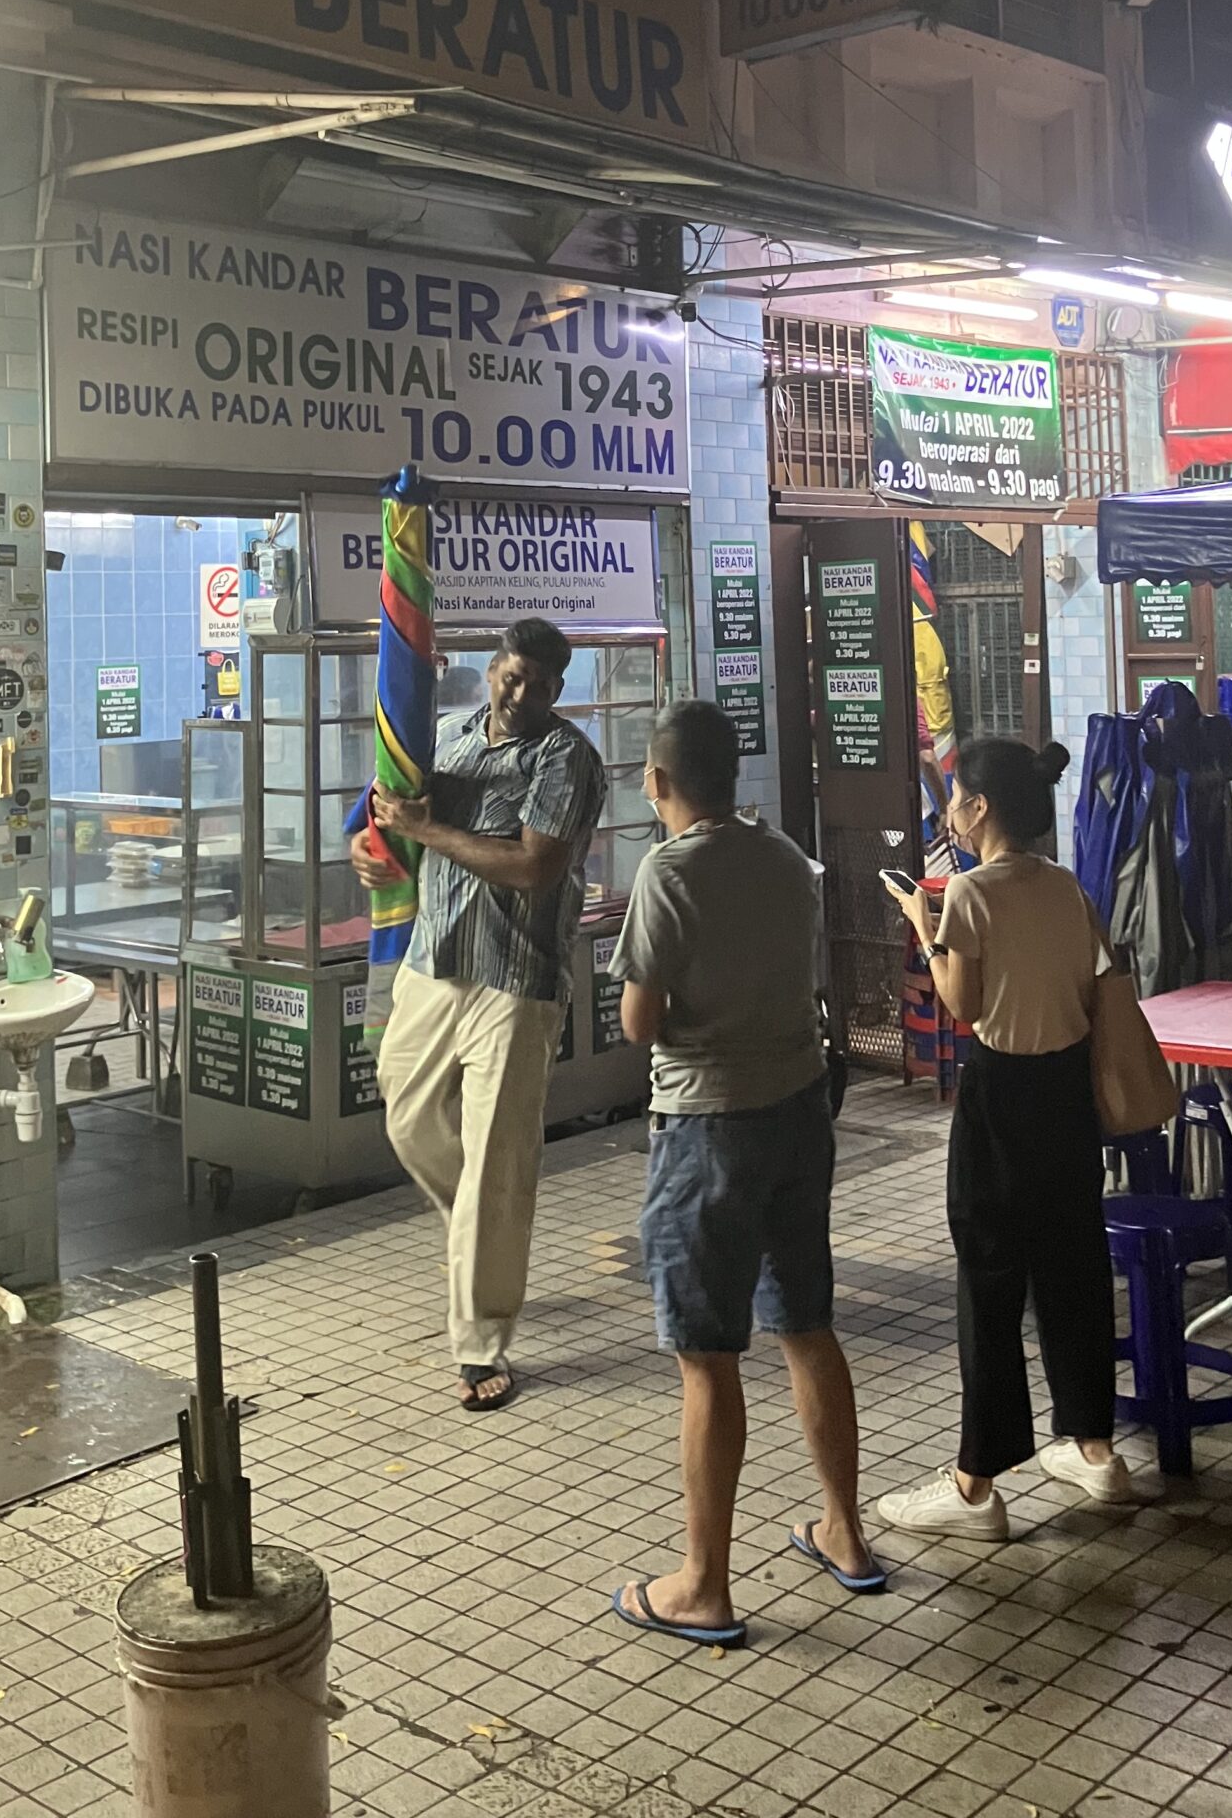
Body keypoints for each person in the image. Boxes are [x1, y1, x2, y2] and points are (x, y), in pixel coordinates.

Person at [608, 699, 879, 1650]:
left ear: (658, 782)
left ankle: (704, 1586)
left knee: (707, 1355)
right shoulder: (781, 856)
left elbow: (641, 1019)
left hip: (707, 1125)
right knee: (807, 1325)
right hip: (800, 1110)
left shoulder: (668, 871)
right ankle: (845, 1530)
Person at [881, 736, 1133, 1539]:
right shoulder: (1066, 888)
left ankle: (975, 1486)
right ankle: (1095, 1449)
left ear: (981, 808)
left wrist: (923, 926)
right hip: (1066, 1095)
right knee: (1074, 1261)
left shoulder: (968, 894)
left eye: (956, 797)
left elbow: (962, 1002)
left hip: (1000, 1093)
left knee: (990, 1276)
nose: (950, 810)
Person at [353, 616, 605, 1414]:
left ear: (557, 691)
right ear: (492, 668)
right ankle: (485, 1235)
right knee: (408, 1114)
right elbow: (392, 833)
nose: (520, 691)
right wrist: (380, 852)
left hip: (515, 982)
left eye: (538, 683)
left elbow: (535, 865)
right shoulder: (451, 739)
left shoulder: (568, 758)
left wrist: (429, 829)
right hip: (434, 965)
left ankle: (481, 1337)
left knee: (497, 1154)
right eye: (511, 674)